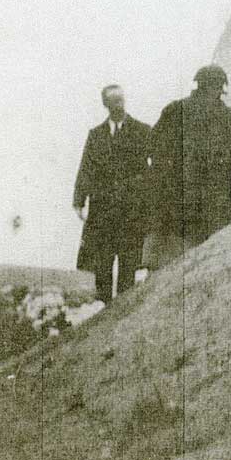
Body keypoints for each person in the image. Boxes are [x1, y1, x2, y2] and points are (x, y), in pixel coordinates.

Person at [146, 64, 231, 267]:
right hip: (214, 206)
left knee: (177, 268)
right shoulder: (225, 115)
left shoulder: (175, 110)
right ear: (218, 88)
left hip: (179, 206)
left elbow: (151, 146)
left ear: (198, 85)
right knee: (212, 264)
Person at [73, 84, 152, 304]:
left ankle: (123, 312)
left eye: (121, 99)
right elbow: (86, 169)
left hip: (131, 211)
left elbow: (157, 166)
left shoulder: (142, 130)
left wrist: (148, 195)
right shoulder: (96, 135)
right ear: (106, 104)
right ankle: (103, 310)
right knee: (102, 264)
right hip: (103, 211)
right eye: (113, 100)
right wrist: (79, 201)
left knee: (129, 262)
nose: (119, 104)